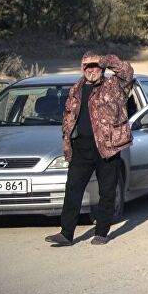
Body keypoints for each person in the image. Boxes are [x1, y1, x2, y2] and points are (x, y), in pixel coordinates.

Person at [46, 53, 136, 246]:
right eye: (87, 66)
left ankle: (101, 232)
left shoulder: (113, 86)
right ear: (81, 68)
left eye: (95, 66)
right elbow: (68, 118)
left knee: (107, 191)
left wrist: (104, 60)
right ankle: (66, 233)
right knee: (73, 189)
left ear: (102, 68)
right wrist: (66, 140)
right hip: (81, 148)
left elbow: (127, 71)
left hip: (107, 147)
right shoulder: (75, 89)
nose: (91, 70)